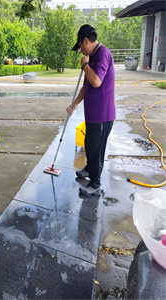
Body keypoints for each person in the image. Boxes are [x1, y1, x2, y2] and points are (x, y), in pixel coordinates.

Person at [68, 24, 115, 196]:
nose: (81, 50)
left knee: (97, 149)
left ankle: (95, 183)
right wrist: (74, 104)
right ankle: (89, 169)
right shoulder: (92, 56)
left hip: (102, 115)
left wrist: (85, 66)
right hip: (93, 115)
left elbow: (96, 81)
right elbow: (86, 87)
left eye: (80, 46)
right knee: (90, 145)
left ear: (85, 41)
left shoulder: (102, 54)